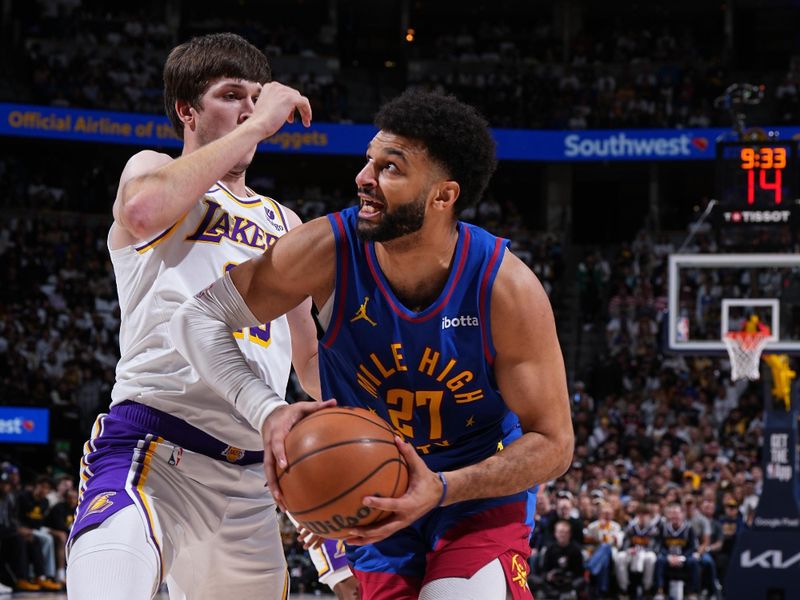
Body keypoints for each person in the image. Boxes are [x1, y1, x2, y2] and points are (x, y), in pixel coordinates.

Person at [171, 89, 574, 599]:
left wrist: (445, 487)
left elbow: (555, 445)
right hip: (371, 485)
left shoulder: (504, 288)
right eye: (369, 160)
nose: (364, 178)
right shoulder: (328, 250)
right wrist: (269, 409)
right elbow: (198, 318)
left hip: (477, 490)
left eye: (391, 168)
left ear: (443, 196)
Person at [65, 32, 328, 600]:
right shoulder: (153, 169)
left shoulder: (288, 223)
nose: (251, 110)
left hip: (253, 479)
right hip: (155, 451)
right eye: (232, 95)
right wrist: (256, 128)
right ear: (187, 109)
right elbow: (140, 213)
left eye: (258, 98)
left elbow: (308, 356)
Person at [529, 520, 586, 599]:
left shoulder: (576, 550)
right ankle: (556, 594)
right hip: (551, 583)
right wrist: (549, 576)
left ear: (569, 534)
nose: (562, 535)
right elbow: (544, 570)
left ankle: (562, 594)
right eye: (560, 532)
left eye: (565, 532)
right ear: (555, 533)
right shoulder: (549, 549)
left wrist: (568, 577)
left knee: (582, 581)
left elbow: (579, 572)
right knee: (532, 579)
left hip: (569, 582)